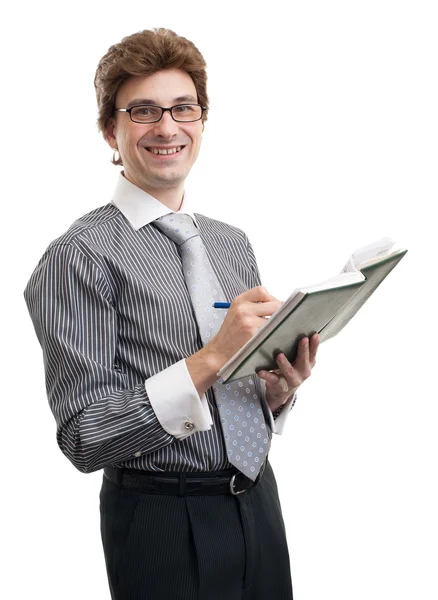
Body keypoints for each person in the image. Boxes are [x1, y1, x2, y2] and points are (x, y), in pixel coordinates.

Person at [24, 28, 319, 600]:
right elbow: (84, 435)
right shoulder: (77, 256)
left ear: (201, 121)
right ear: (111, 130)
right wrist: (209, 358)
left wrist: (278, 390)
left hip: (258, 502)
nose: (167, 127)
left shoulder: (232, 243)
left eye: (183, 108)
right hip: (160, 517)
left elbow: (240, 387)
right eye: (143, 111)